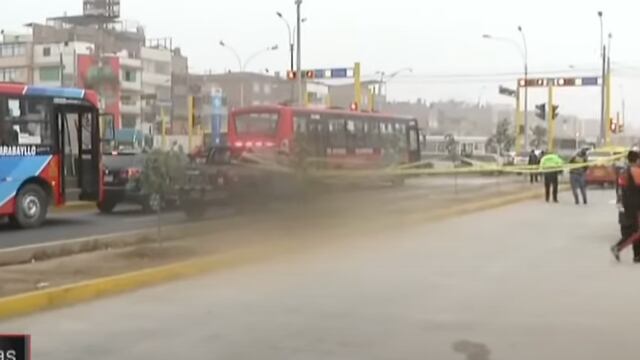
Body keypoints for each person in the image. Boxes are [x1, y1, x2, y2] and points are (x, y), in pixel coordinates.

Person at [611, 150, 640, 262]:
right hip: (636, 205)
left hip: (628, 204)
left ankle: (637, 255)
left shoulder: (624, 170)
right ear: (637, 159)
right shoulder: (635, 171)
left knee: (635, 230)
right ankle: (618, 247)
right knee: (636, 231)